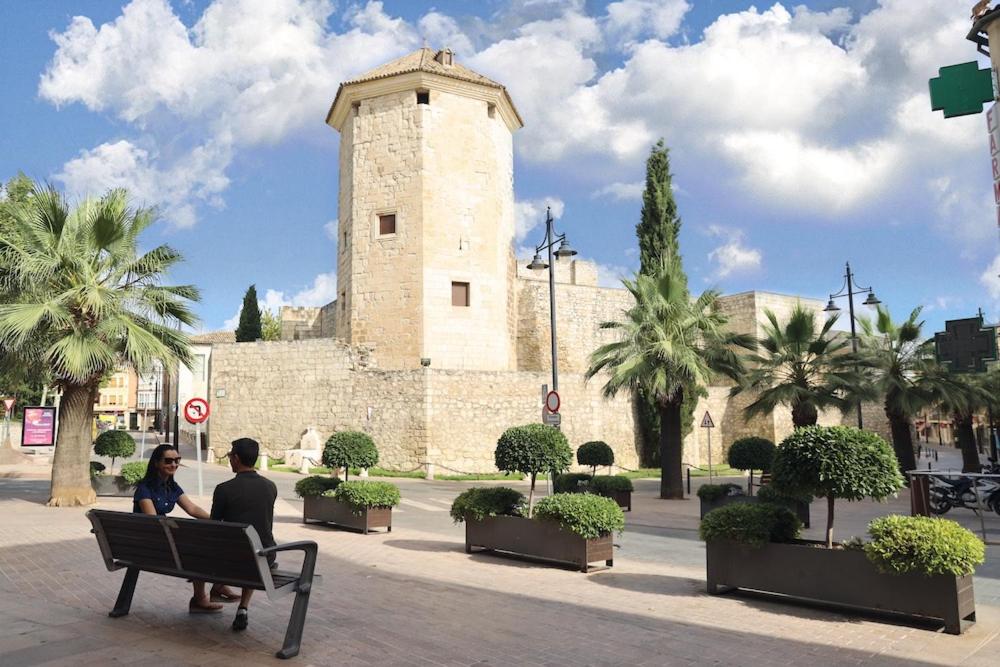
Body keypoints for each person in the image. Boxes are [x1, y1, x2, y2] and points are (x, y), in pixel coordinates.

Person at [133, 443, 234, 613]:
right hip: (150, 544)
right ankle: (210, 592)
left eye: (177, 460)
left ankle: (213, 589)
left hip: (163, 540)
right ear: (156, 463)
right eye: (168, 460)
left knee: (205, 543)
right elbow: (154, 521)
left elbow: (192, 509)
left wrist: (215, 521)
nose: (173, 464)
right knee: (199, 550)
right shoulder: (145, 489)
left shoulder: (172, 487)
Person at [210, 437, 278, 631]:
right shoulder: (270, 486)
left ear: (237, 459)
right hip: (264, 556)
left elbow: (215, 525)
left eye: (231, 455)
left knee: (234, 549)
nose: (230, 459)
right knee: (253, 549)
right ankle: (243, 608)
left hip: (233, 560)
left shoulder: (223, 490)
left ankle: (216, 587)